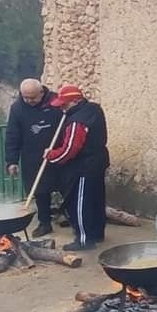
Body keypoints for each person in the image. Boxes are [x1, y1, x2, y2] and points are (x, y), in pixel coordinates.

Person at [46, 85, 109, 251]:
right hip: (98, 161)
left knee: (80, 204)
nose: (61, 108)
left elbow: (69, 150)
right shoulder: (94, 109)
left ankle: (84, 239)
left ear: (75, 101)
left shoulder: (77, 121)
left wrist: (51, 155)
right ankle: (96, 233)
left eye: (64, 104)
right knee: (96, 201)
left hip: (84, 167)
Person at [5, 79, 63, 237]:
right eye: (26, 98)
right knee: (40, 191)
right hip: (32, 157)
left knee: (67, 186)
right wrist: (12, 161)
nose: (29, 101)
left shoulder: (56, 102)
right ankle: (44, 223)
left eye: (33, 97)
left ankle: (70, 218)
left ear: (42, 93)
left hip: (59, 153)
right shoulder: (17, 108)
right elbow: (12, 135)